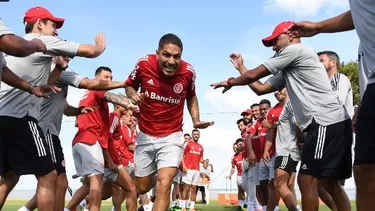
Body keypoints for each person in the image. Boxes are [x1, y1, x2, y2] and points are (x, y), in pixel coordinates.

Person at [211, 21, 352, 211]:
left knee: (307, 180)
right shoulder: (290, 67)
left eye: (276, 41)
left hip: (325, 122)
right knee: (329, 183)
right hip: (331, 122)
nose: (274, 47)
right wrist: (241, 68)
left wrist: (232, 81)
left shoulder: (297, 51)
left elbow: (254, 75)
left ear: (292, 35)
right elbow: (261, 89)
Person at [0, 6, 107, 211]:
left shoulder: (14, 55)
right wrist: (99, 48)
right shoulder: (43, 42)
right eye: (53, 25)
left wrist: (43, 80)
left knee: (9, 176)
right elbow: (89, 52)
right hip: (21, 118)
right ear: (39, 24)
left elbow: (37, 83)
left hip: (3, 116)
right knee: (48, 175)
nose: (56, 31)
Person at [124, 33, 214, 211]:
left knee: (164, 184)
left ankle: (162, 180)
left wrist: (195, 120)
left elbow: (191, 96)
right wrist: (133, 95)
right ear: (157, 53)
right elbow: (129, 85)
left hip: (172, 136)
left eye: (176, 56)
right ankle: (151, 176)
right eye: (166, 55)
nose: (171, 61)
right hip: (146, 135)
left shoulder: (188, 72)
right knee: (142, 187)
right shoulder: (143, 64)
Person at [180, 129, 205, 211]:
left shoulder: (201, 147)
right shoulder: (188, 144)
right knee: (186, 188)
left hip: (196, 170)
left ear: (199, 135)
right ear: (192, 135)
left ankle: (192, 207)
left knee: (194, 188)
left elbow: (200, 158)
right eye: (194, 134)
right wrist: (183, 165)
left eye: (197, 134)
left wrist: (205, 162)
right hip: (188, 169)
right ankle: (183, 207)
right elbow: (181, 155)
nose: (196, 135)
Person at [227, 139, 246, 210]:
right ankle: (240, 205)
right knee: (240, 190)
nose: (235, 149)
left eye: (236, 147)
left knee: (248, 190)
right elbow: (233, 168)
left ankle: (247, 204)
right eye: (233, 148)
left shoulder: (244, 153)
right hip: (239, 175)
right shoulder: (234, 157)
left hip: (246, 174)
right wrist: (230, 174)